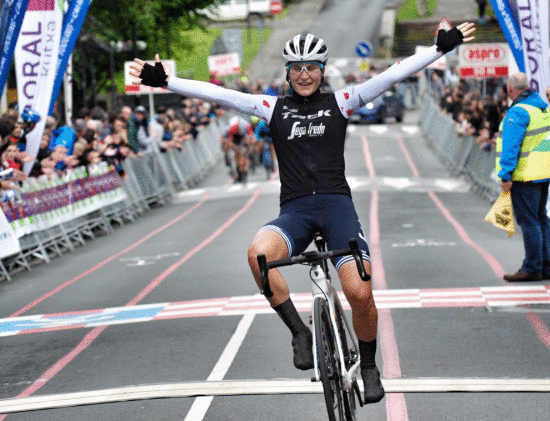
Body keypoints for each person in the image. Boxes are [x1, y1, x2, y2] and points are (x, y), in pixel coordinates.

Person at [129, 23, 475, 404]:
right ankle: (298, 331)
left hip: (336, 207)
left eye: (311, 67)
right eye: (296, 67)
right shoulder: (271, 107)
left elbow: (394, 74)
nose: (304, 74)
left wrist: (439, 49)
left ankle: (370, 365)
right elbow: (221, 94)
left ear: (322, 70)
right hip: (294, 212)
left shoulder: (343, 101)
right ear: (288, 72)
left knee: (359, 291)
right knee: (257, 255)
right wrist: (167, 81)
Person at [496, 72, 550, 282]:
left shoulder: (517, 112)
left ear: (510, 89)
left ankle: (532, 267)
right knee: (541, 219)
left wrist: (505, 175)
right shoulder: (541, 108)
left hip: (524, 175)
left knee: (529, 221)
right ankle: (546, 266)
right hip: (543, 171)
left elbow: (511, 147)